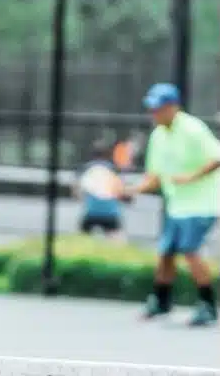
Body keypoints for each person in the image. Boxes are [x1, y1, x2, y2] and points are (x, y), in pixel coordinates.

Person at [122, 83, 218, 327]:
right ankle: (160, 302)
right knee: (166, 253)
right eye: (152, 108)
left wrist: (191, 177)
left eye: (160, 108)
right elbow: (154, 177)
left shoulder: (193, 128)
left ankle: (208, 306)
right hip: (176, 206)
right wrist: (131, 190)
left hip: (202, 205)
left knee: (189, 250)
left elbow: (217, 157)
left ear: (174, 107)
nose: (154, 113)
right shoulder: (158, 135)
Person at [74, 139, 125, 238]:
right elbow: (120, 190)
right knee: (117, 241)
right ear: (108, 155)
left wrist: (83, 199)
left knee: (81, 238)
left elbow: (76, 190)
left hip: (91, 211)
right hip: (111, 212)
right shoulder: (113, 169)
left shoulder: (85, 168)